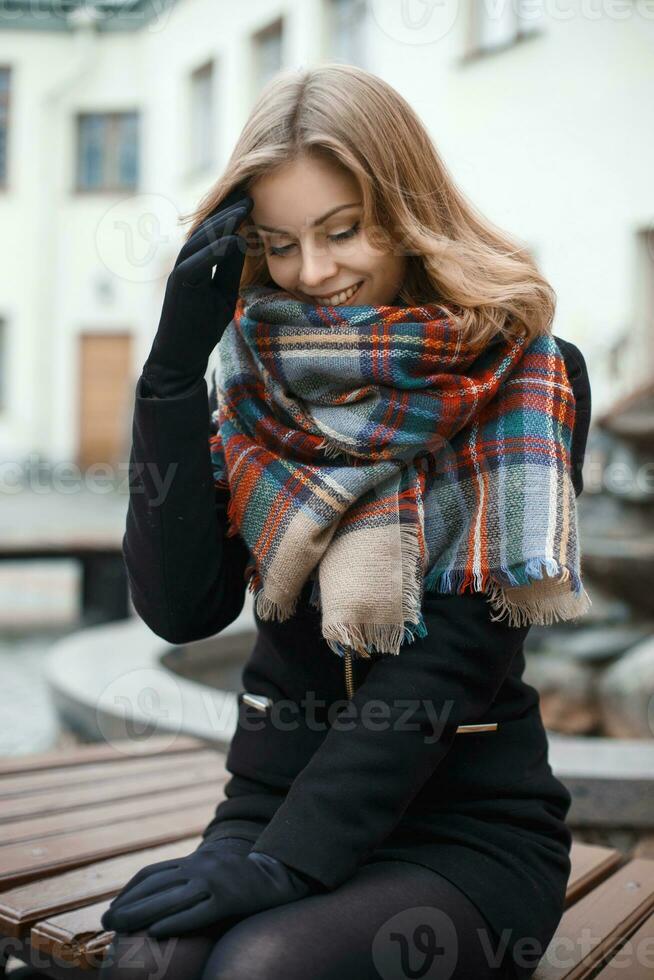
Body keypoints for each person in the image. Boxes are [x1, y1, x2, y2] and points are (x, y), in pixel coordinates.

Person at [98, 64, 592, 980]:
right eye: (279, 244)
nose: (313, 273)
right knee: (148, 962)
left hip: (465, 827)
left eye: (342, 231)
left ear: (407, 213)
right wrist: (170, 380)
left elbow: (451, 661)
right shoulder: (255, 377)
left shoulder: (525, 375)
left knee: (262, 968)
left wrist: (290, 864)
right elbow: (182, 609)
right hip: (270, 800)